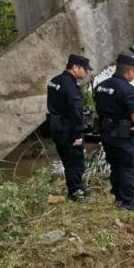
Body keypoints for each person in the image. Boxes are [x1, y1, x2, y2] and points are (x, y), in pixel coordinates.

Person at [94, 54, 134, 212]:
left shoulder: (101, 86)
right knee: (129, 167)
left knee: (115, 166)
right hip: (122, 135)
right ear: (129, 71)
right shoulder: (126, 88)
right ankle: (127, 203)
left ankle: (118, 198)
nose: (133, 74)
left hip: (106, 134)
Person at [46, 54, 93, 202]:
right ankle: (76, 194)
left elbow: (61, 105)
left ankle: (76, 187)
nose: (86, 73)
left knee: (67, 160)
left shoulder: (55, 81)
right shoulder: (71, 85)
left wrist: (81, 110)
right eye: (84, 69)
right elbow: (75, 110)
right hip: (69, 130)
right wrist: (78, 135)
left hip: (57, 128)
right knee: (76, 162)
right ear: (75, 67)